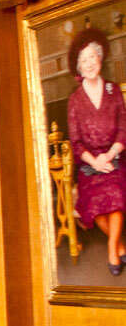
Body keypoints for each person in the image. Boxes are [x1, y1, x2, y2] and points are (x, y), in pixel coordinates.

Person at [67, 27, 126, 274]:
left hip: (114, 159)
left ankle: (113, 249)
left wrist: (109, 156)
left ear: (100, 58)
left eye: (93, 57)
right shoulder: (75, 100)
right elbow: (76, 142)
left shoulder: (114, 91)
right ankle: (122, 246)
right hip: (90, 165)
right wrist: (96, 161)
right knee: (93, 205)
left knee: (115, 194)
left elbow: (124, 129)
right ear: (78, 67)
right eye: (84, 60)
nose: (89, 63)